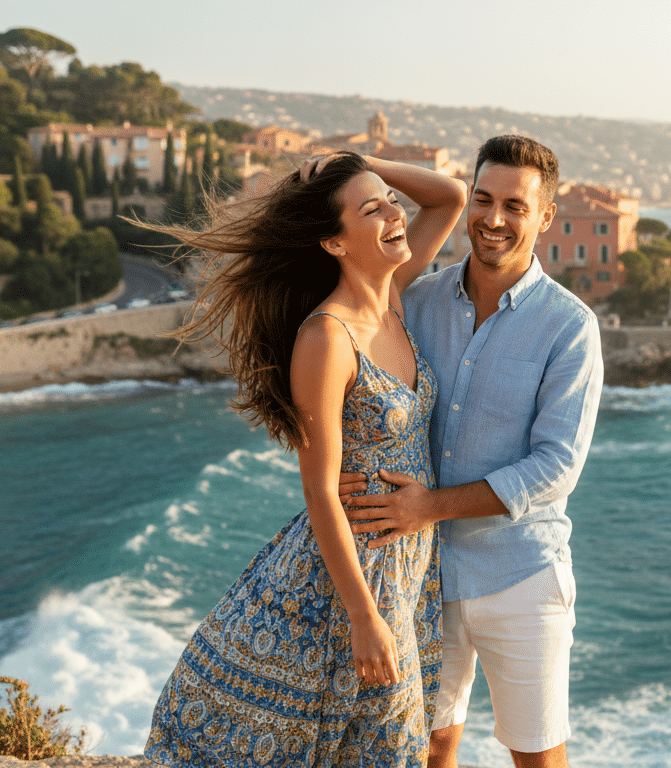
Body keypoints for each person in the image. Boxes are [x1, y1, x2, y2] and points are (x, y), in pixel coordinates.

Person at [142, 152, 467, 767]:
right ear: (334, 243)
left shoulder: (393, 298)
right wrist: (361, 615)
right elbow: (319, 489)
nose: (395, 213)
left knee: (380, 742)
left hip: (407, 562)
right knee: (362, 740)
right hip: (349, 575)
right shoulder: (326, 337)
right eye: (372, 210)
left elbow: (450, 195)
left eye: (392, 202)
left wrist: (359, 162)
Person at [337, 135, 604, 768]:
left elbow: (557, 466)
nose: (493, 219)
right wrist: (360, 169)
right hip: (422, 573)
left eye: (516, 205)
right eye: (483, 199)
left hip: (522, 574)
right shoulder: (420, 300)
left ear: (545, 217)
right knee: (428, 749)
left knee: (536, 757)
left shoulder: (570, 326)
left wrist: (429, 506)